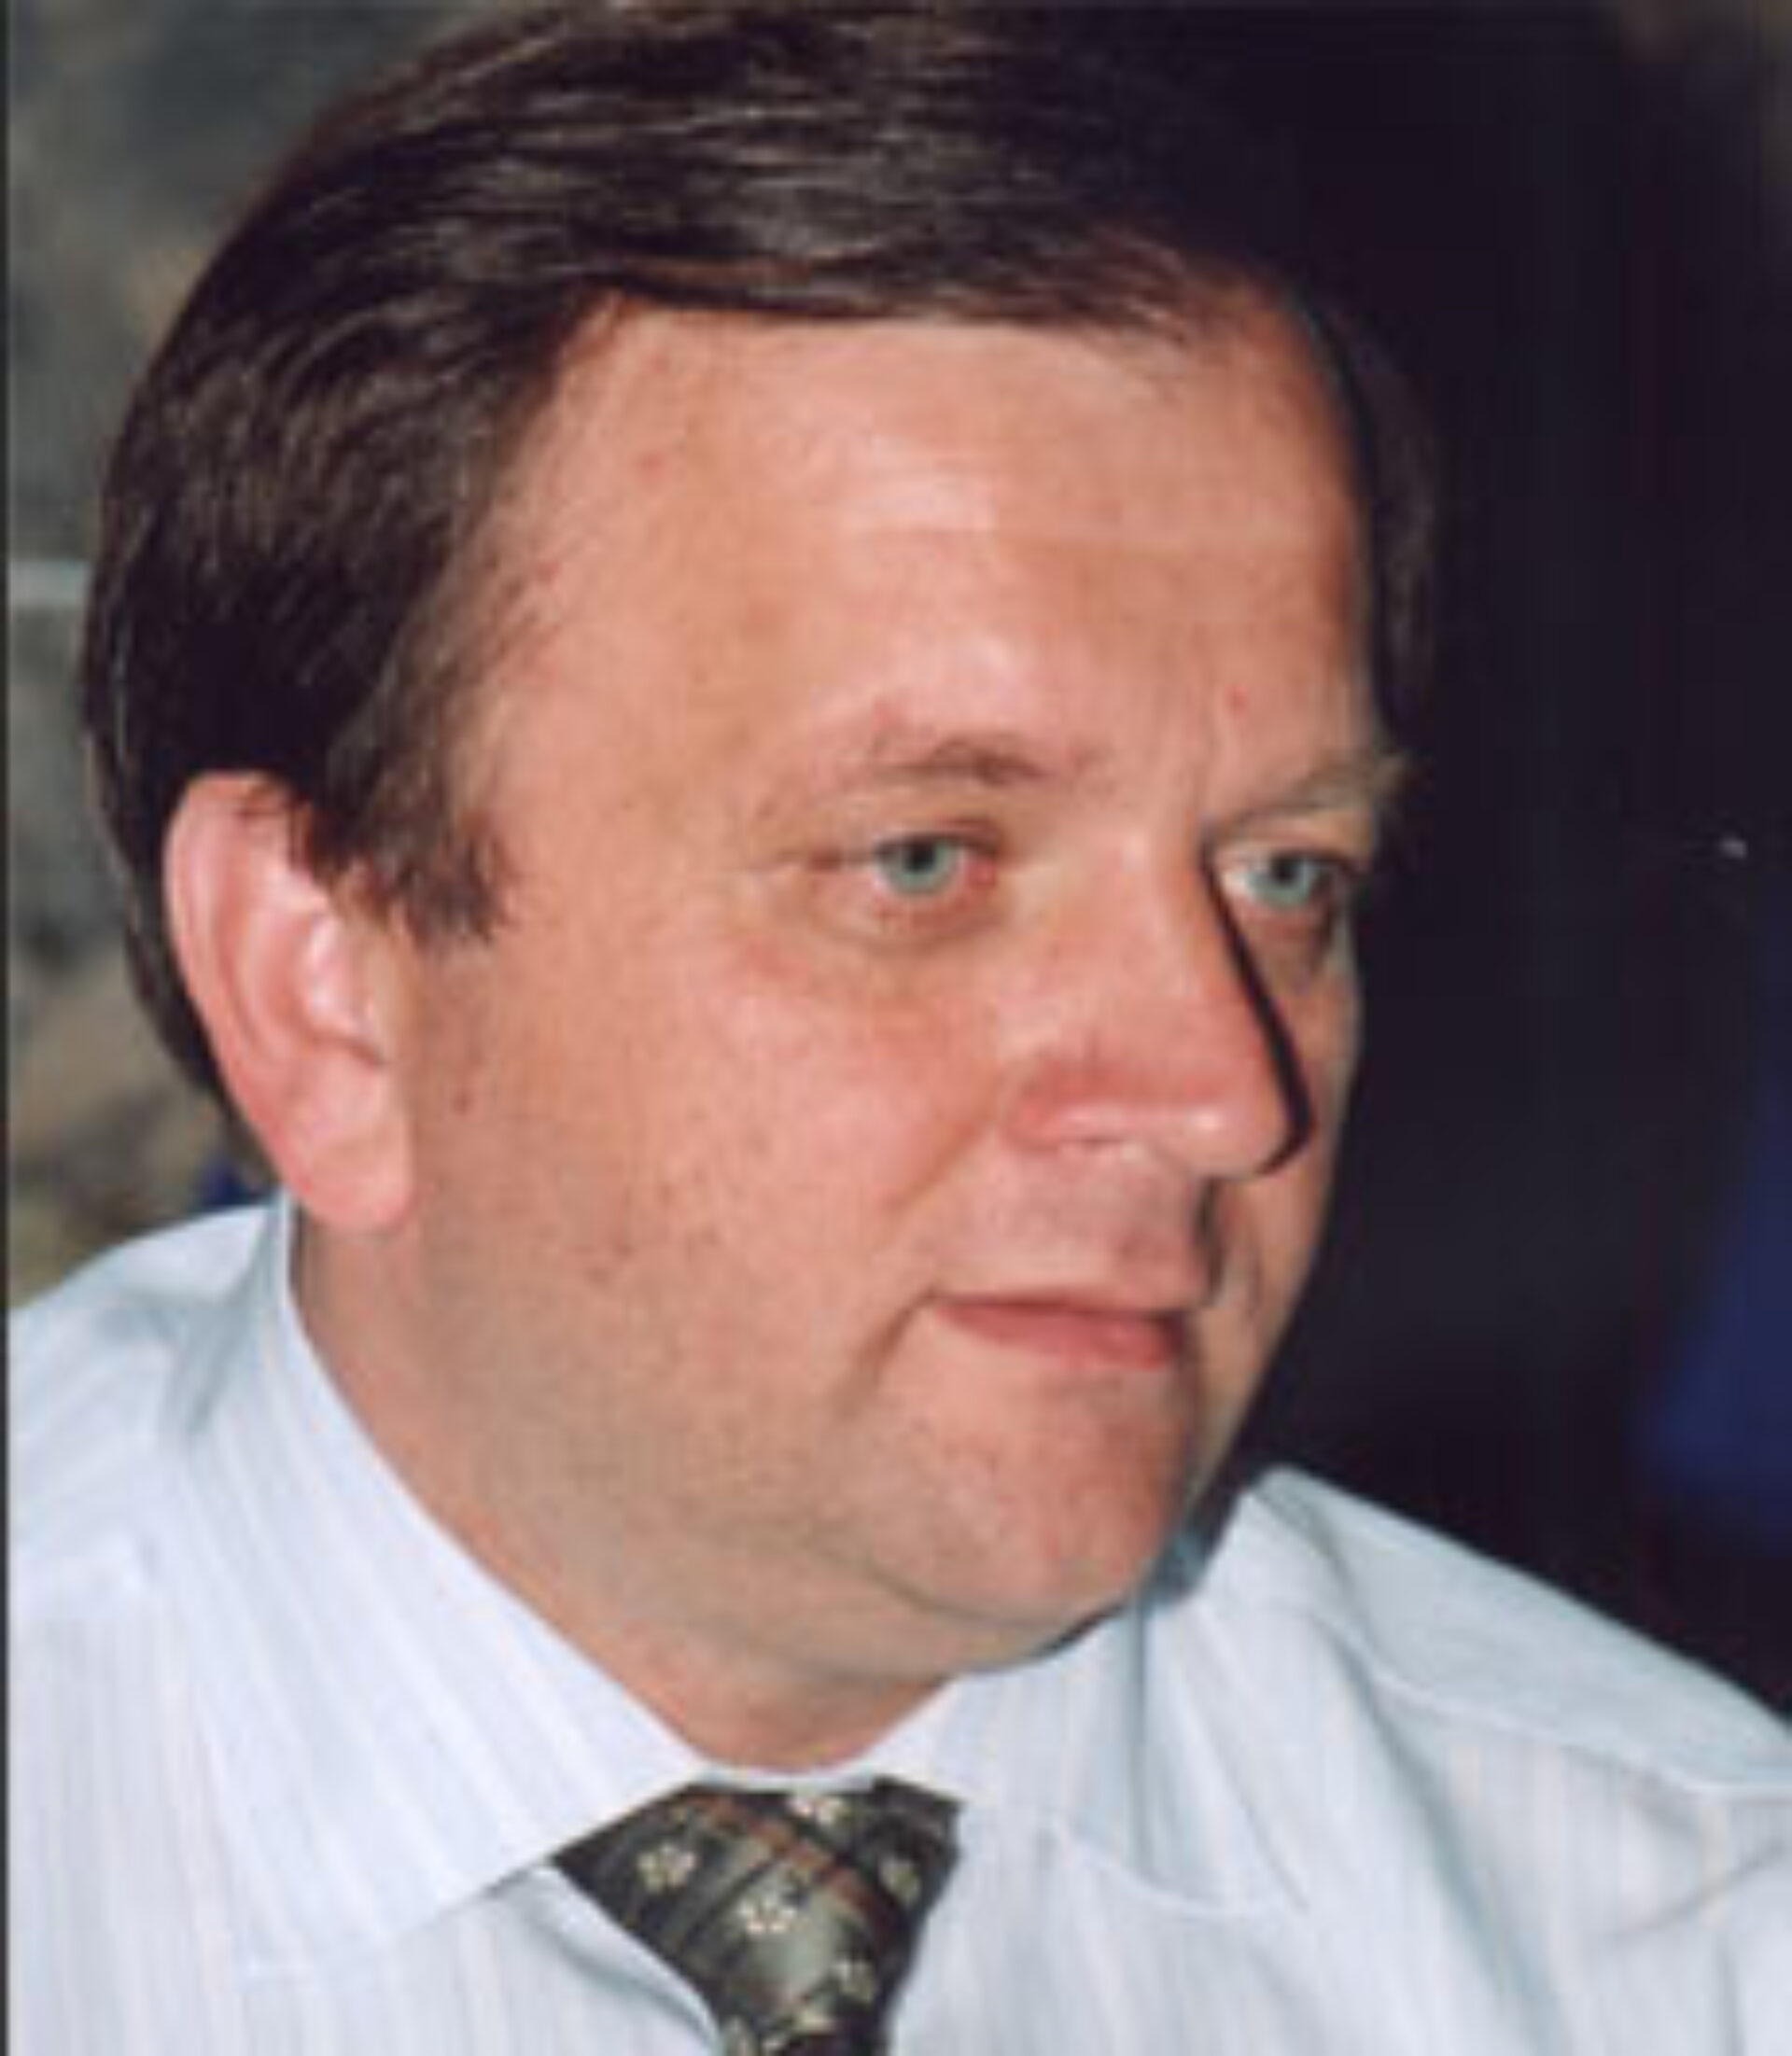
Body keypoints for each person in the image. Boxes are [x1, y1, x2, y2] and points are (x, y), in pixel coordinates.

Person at [13, 5, 1786, 2049]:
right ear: (320, 985)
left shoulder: (1671, 1950)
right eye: (926, 863)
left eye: (1287, 874)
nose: (1224, 1092)